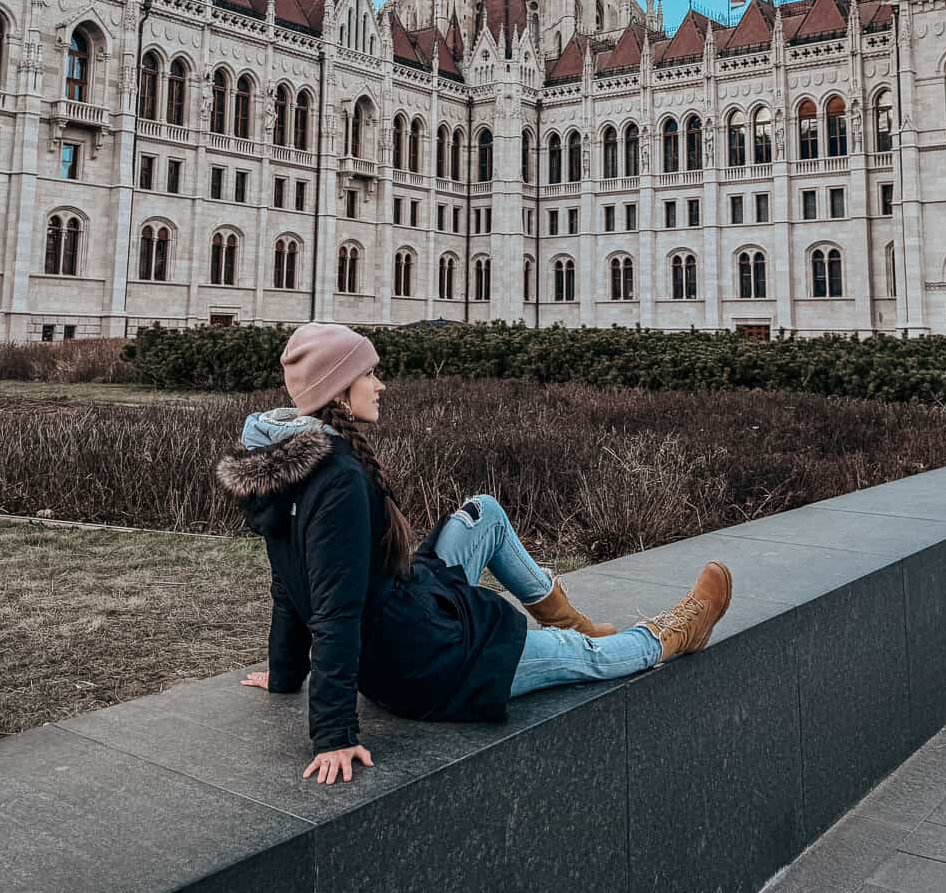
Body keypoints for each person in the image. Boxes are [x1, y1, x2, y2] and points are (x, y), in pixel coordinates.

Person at [217, 322, 732, 786]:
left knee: (482, 512)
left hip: (409, 611)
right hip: (427, 666)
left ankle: (570, 620)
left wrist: (284, 675)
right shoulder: (339, 481)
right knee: (587, 660)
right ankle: (675, 632)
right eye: (370, 374)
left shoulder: (285, 468)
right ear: (338, 389)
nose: (380, 385)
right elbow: (334, 611)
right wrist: (332, 734)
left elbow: (288, 584)